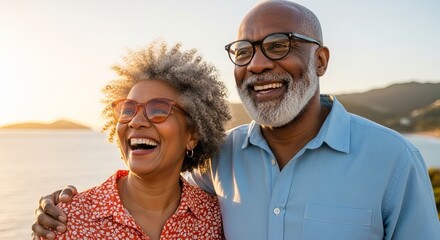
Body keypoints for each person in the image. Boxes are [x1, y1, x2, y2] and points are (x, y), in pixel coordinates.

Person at [33, 1, 440, 239]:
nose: (258, 64)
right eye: (244, 51)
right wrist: (67, 204)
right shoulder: (219, 159)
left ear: (320, 60)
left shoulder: (394, 161)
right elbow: (158, 181)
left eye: (278, 46)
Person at [32, 41, 230, 239]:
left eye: (159, 110)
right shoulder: (66, 221)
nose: (136, 122)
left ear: (192, 135)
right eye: (128, 110)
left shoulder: (217, 219)